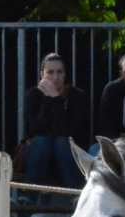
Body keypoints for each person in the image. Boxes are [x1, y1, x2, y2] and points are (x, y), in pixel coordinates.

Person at [22, 52, 92, 189]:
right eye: (50, 72)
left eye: (60, 72)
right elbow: (34, 130)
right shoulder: (33, 95)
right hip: (41, 151)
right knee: (42, 141)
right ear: (42, 74)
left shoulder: (77, 96)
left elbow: (70, 131)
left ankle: (73, 196)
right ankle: (30, 198)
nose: (55, 77)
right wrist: (48, 100)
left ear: (65, 74)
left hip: (69, 152)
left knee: (61, 142)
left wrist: (56, 99)